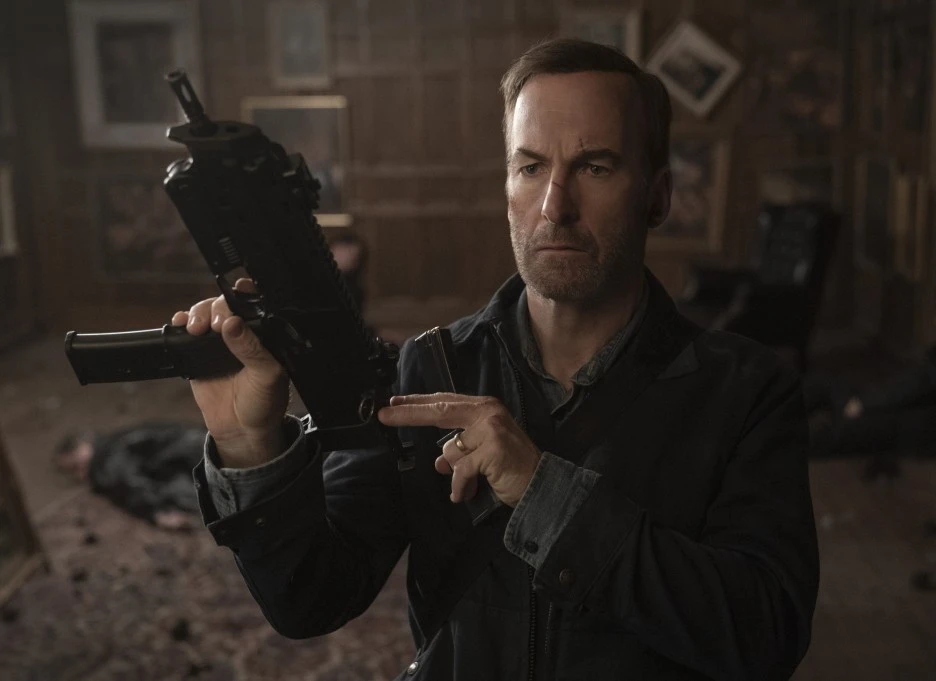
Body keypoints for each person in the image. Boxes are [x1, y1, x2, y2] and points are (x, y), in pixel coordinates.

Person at [171, 39, 819, 680]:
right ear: (507, 184)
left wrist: (544, 493)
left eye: (595, 167)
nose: (555, 206)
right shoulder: (430, 370)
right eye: (530, 168)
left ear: (657, 195)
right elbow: (310, 598)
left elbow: (766, 636)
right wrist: (250, 447)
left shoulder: (747, 390)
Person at [54, 422, 205, 531]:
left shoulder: (106, 462)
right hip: (200, 446)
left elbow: (131, 485)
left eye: (76, 466)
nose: (80, 473)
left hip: (197, 460)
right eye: (73, 471)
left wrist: (157, 513)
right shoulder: (114, 444)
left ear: (83, 445)